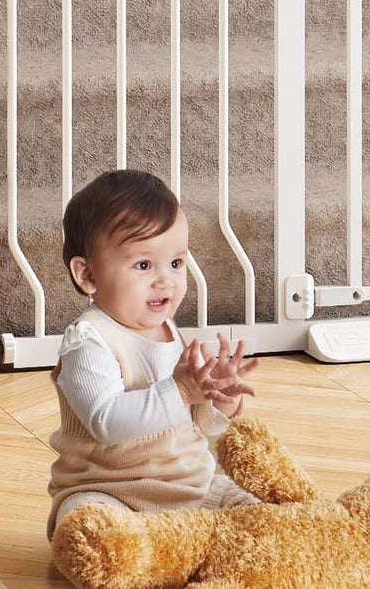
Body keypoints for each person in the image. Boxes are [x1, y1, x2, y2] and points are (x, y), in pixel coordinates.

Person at [46, 168, 259, 538]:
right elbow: (108, 421)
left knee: (257, 511)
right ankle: (146, 554)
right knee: (87, 527)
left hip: (191, 487)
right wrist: (181, 391)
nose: (166, 280)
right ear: (88, 275)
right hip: (112, 491)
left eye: (176, 263)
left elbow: (197, 424)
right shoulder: (88, 342)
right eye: (144, 265)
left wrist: (217, 399)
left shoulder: (170, 330)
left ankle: (193, 547)